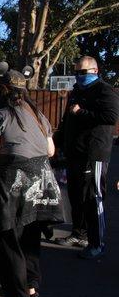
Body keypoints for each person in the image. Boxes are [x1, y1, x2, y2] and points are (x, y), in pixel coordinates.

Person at [0, 69, 64, 297]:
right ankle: (30, 284)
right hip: (41, 180)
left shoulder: (1, 116)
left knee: (7, 238)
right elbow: (51, 151)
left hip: (14, 181)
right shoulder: (38, 114)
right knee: (30, 235)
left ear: (1, 91)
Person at [53, 56, 119, 259]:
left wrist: (82, 112)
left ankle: (97, 243)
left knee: (93, 197)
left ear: (95, 70)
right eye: (77, 73)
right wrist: (57, 142)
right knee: (75, 195)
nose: (79, 76)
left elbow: (111, 117)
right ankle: (79, 234)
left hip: (94, 154)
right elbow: (66, 120)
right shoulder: (77, 92)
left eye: (83, 72)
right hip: (75, 153)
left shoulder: (104, 91)